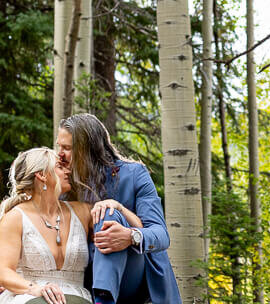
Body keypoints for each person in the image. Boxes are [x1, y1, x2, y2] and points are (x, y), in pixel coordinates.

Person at [56, 113, 181, 304]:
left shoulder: (133, 173)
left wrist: (129, 235)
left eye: (66, 148)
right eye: (59, 146)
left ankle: (103, 301)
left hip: (135, 277)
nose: (60, 154)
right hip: (85, 275)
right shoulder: (64, 183)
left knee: (108, 213)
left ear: (86, 150)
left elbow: (161, 235)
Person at [0, 147, 102, 304]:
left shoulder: (82, 211)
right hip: (28, 297)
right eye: (60, 167)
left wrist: (116, 206)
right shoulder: (14, 218)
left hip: (77, 297)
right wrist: (35, 289)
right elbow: (3, 273)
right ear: (41, 175)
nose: (67, 171)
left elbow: (130, 228)